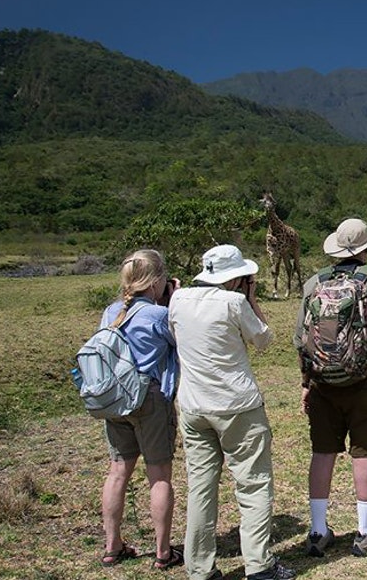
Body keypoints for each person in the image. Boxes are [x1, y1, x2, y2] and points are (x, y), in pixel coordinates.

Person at [168, 244, 294, 580]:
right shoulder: (235, 302)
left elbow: (174, 335)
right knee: (253, 485)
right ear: (236, 278)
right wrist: (252, 300)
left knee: (201, 488)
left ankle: (199, 569)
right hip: (237, 406)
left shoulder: (177, 300)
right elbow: (264, 340)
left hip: (193, 406)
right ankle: (259, 565)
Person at [294, 218, 367, 558]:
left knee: (323, 451)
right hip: (366, 382)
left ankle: (316, 531)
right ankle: (366, 531)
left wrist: (306, 383)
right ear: (366, 248)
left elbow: (301, 338)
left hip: (322, 383)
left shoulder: (314, 282)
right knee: (364, 452)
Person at [97, 249, 183, 569]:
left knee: (118, 472)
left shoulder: (110, 311)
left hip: (115, 398)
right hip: (149, 397)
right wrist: (172, 302)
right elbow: (178, 344)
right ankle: (163, 552)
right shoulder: (159, 316)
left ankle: (111, 545)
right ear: (156, 280)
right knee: (159, 476)